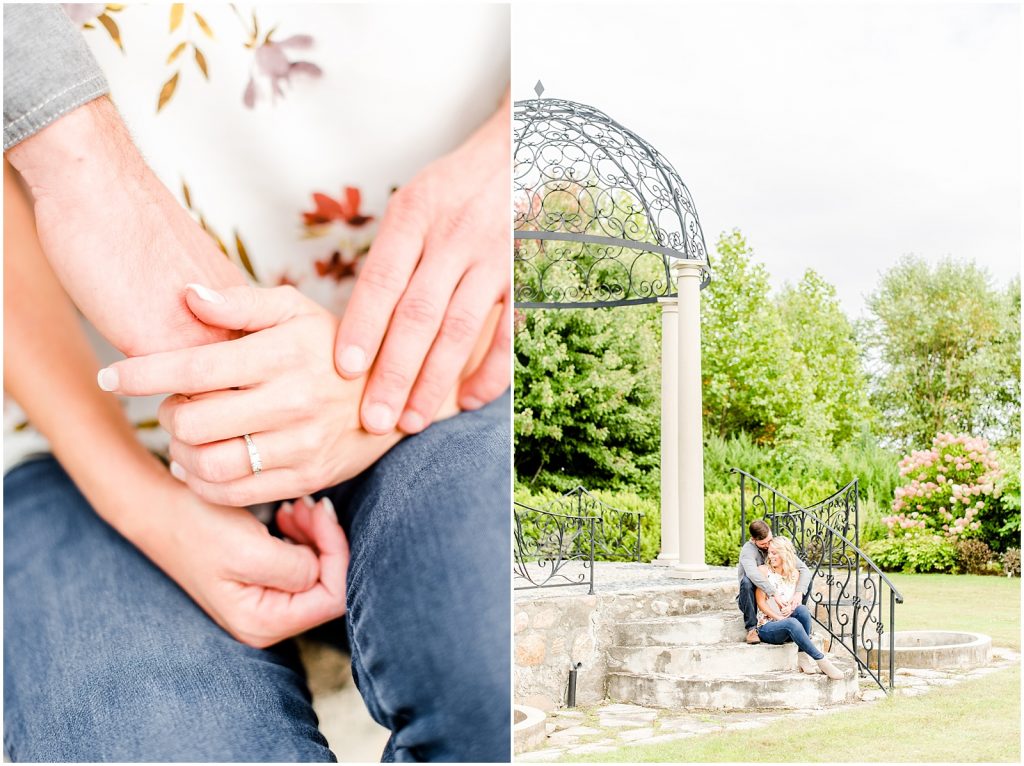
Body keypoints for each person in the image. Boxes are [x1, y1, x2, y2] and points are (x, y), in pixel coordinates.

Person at [4, 4, 511, 762]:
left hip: (448, 378)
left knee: (488, 669)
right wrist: (142, 504)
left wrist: (514, 160)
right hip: (84, 424)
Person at [753, 538, 845, 680]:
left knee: (802, 610)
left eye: (774, 553)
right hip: (767, 626)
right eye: (769, 553)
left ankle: (802, 658)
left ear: (785, 554)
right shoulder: (763, 571)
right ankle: (822, 661)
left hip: (787, 624)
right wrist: (779, 618)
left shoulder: (795, 574)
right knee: (792, 623)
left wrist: (790, 608)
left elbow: (793, 601)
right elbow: (761, 603)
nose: (770, 556)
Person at [736, 519, 810, 644]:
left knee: (805, 580)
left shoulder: (774, 545)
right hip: (751, 598)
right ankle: (752, 629)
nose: (769, 545)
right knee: (747, 581)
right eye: (764, 543)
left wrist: (798, 593)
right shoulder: (747, 551)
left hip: (775, 598)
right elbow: (753, 574)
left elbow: (804, 569)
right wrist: (773, 592)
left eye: (770, 540)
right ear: (754, 540)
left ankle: (797, 614)